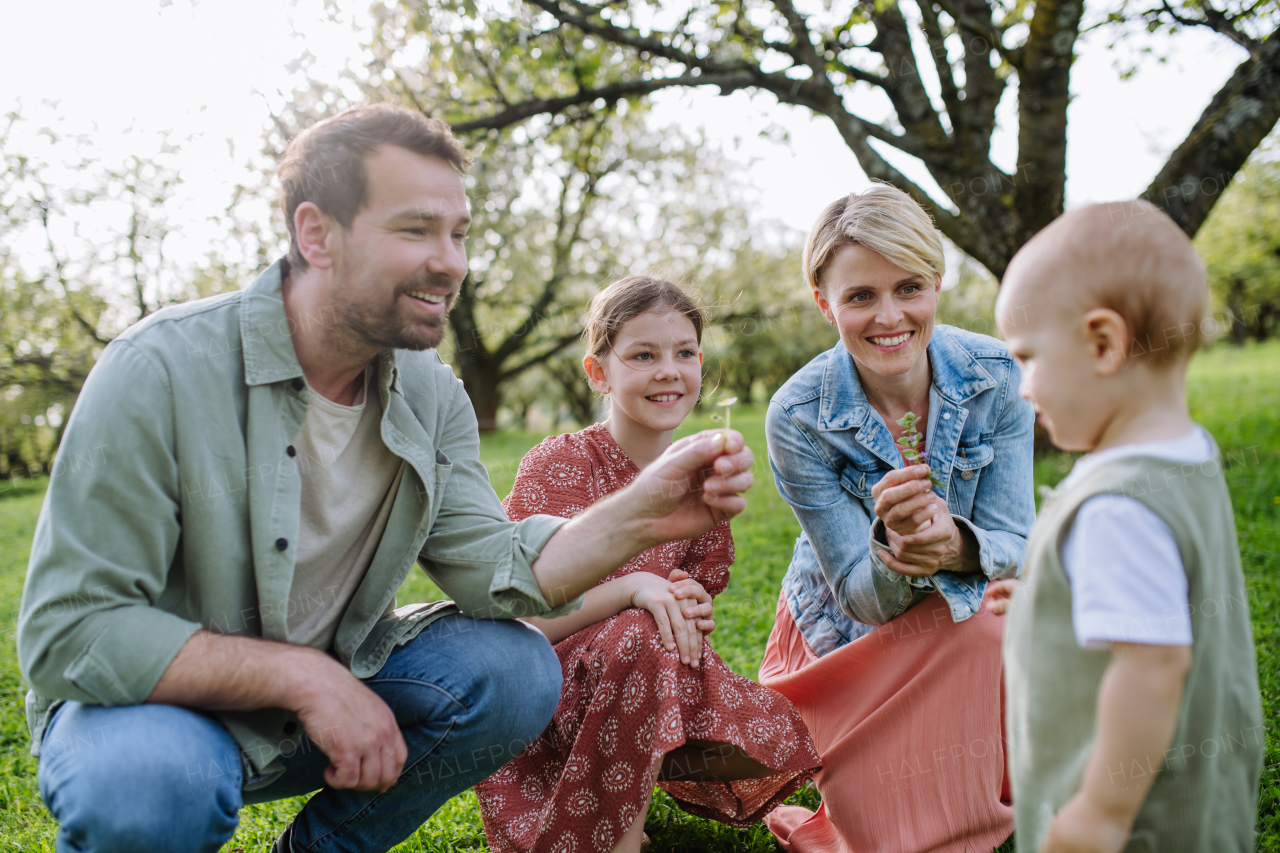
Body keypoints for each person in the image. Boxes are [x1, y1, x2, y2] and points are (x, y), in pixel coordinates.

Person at [16, 105, 755, 853]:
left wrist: (645, 508)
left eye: (458, 234)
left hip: (337, 692)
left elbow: (495, 569)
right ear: (316, 235)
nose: (452, 261)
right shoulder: (158, 368)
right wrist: (303, 677)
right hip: (155, 711)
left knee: (514, 669)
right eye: (415, 230)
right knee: (148, 787)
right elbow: (71, 627)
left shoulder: (430, 393)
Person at [475, 275, 821, 853]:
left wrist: (687, 606)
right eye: (642, 355)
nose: (669, 369)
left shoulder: (698, 477)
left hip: (644, 679)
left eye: (684, 353)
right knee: (637, 632)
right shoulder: (560, 464)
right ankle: (620, 840)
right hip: (544, 689)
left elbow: (697, 593)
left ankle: (626, 796)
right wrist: (634, 588)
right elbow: (518, 624)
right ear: (598, 372)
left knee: (666, 650)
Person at [758, 184, 1035, 852]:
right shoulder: (797, 415)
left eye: (909, 287)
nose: (889, 317)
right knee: (882, 826)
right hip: (845, 633)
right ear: (826, 302)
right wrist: (900, 549)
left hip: (974, 607)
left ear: (937, 283)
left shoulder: (999, 377)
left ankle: (992, 770)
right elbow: (857, 589)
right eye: (860, 296)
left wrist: (954, 546)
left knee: (988, 625)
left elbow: (1015, 541)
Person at [986, 199, 1263, 852]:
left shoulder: (1118, 505)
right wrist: (1042, 599)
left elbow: (1154, 664)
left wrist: (1102, 811)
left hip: (1134, 823)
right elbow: (1160, 600)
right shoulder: (1185, 454)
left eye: (1028, 358)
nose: (1022, 387)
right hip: (1198, 804)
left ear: (1103, 343)